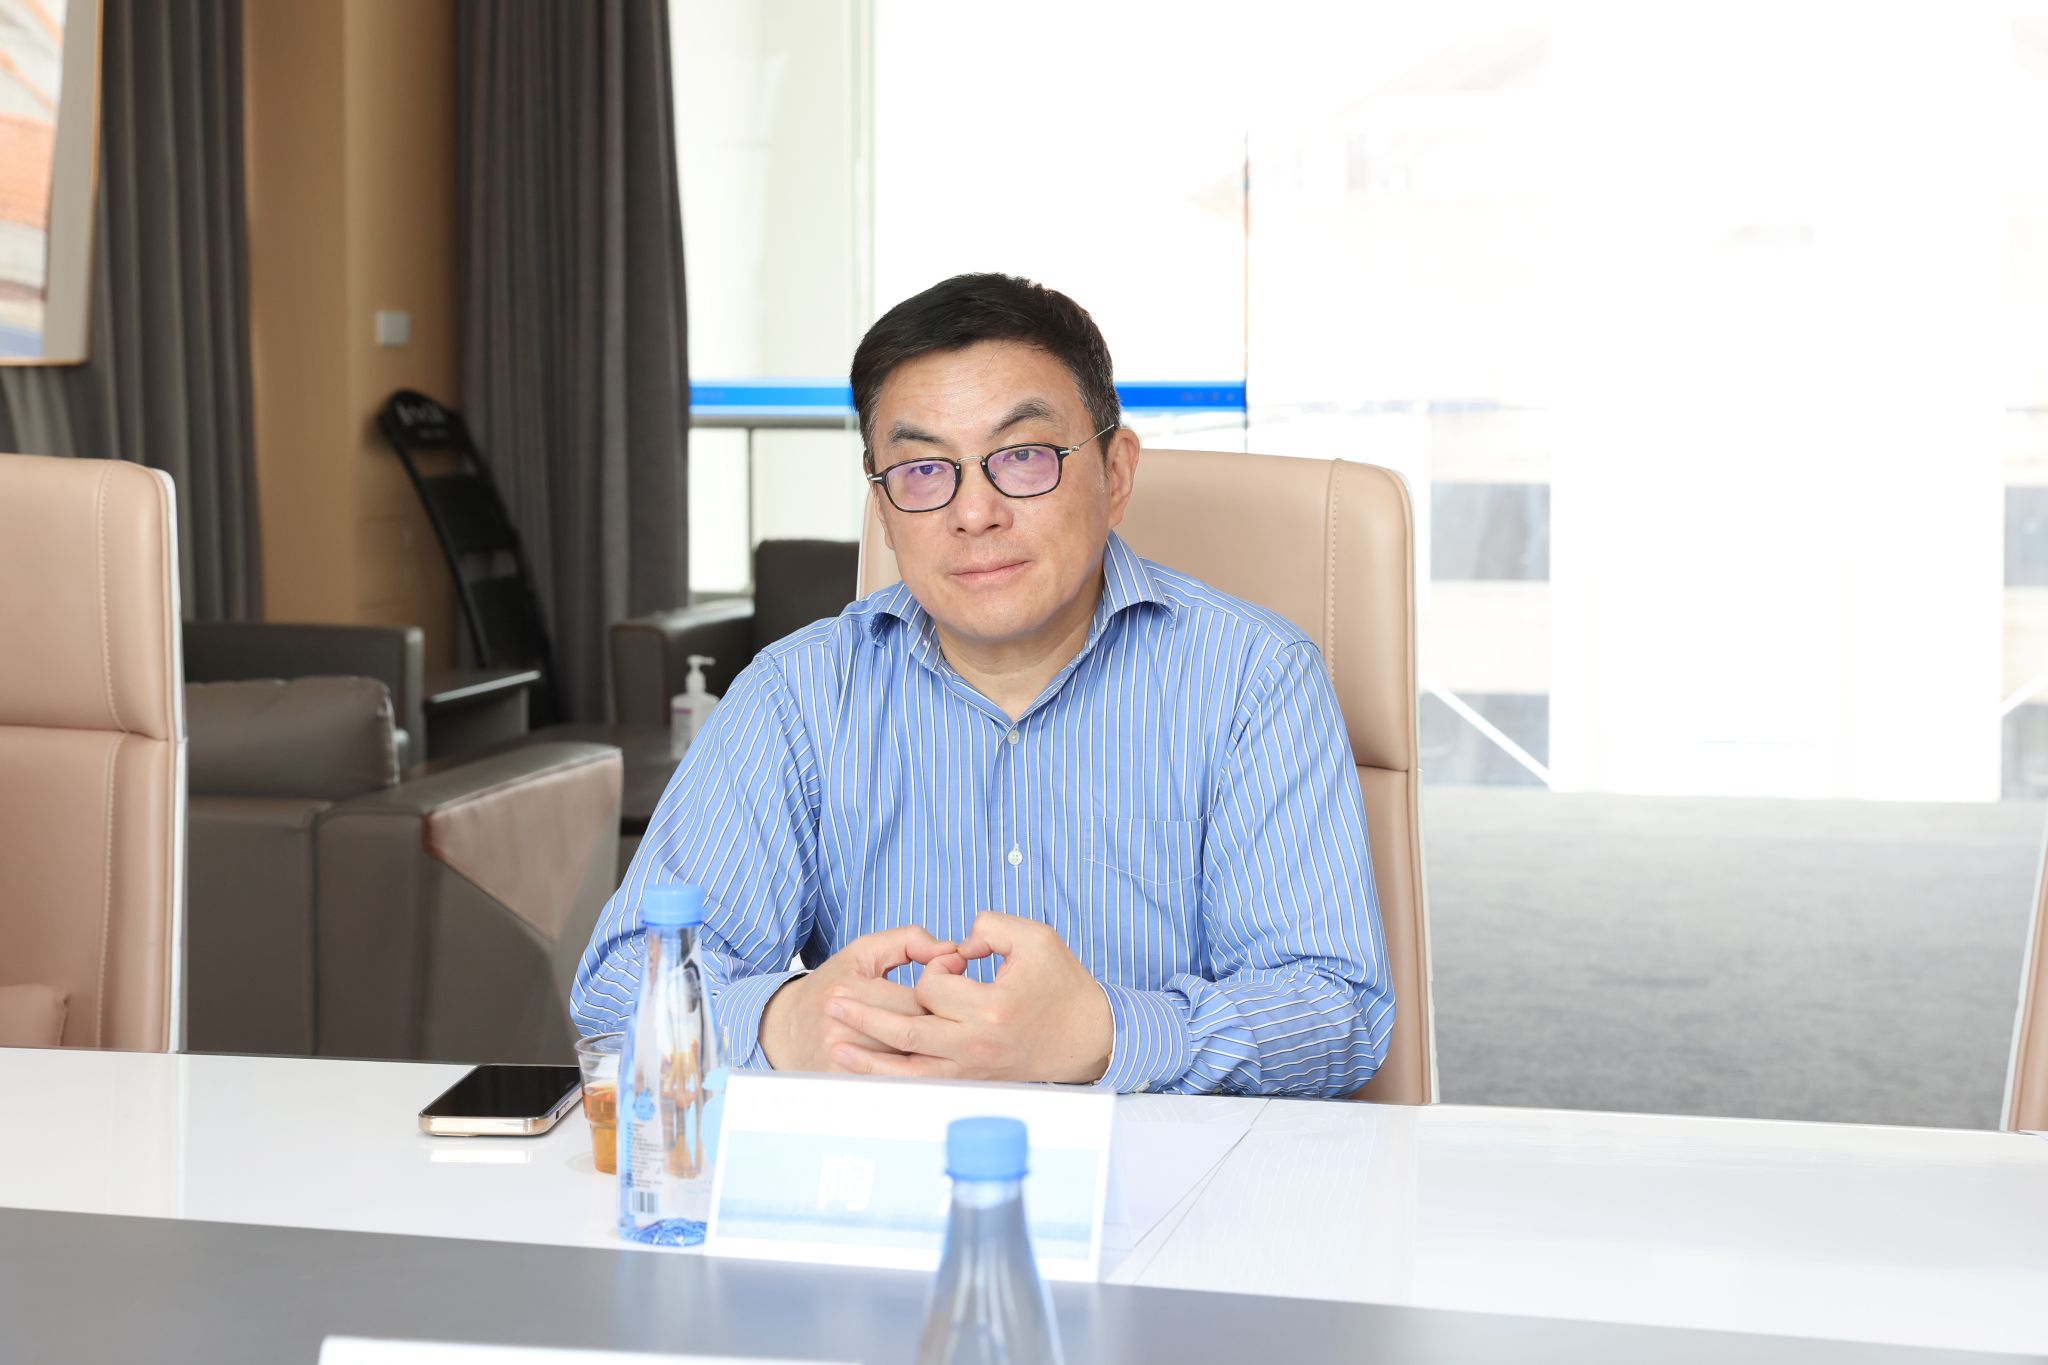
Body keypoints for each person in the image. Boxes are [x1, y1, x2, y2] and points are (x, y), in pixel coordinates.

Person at [570, 273, 1392, 1096]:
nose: (974, 513)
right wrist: (779, 1022)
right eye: (923, 469)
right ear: (883, 508)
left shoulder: (1253, 679)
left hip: (1168, 1166)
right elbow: (619, 989)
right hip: (883, 1165)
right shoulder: (800, 694)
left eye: (1024, 457)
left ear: (1115, 473)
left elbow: (1334, 1009)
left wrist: (1106, 1035)